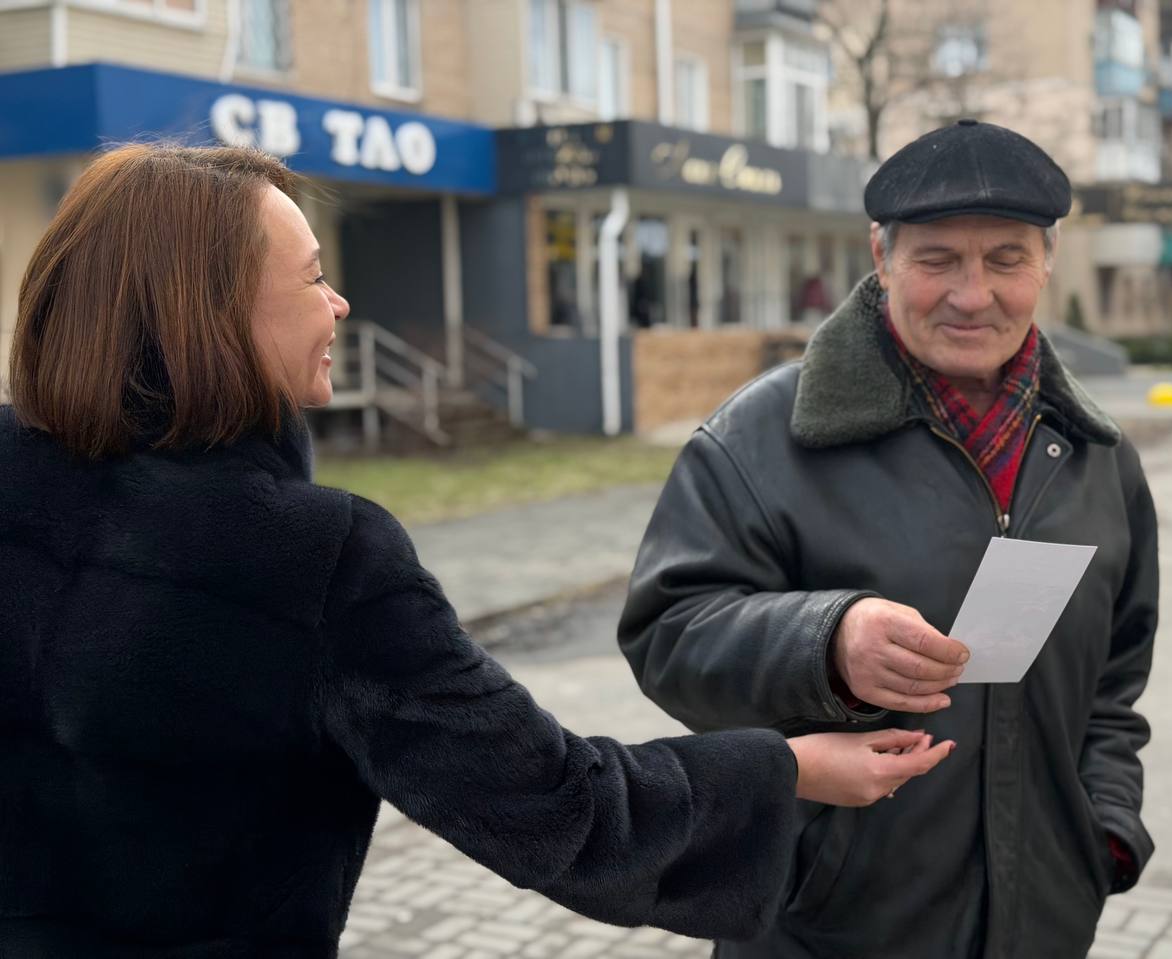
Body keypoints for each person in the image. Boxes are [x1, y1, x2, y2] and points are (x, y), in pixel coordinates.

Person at [0, 143, 955, 957]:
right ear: (209, 313)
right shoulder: (314, 558)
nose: (340, 304)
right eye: (314, 276)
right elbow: (556, 805)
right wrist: (788, 769)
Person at [619, 120, 1158, 959]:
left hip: (1045, 920)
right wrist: (826, 642)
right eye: (937, 259)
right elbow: (667, 635)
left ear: (1047, 262)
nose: (973, 294)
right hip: (825, 928)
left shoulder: (1097, 455)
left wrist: (1106, 828)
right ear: (881, 254)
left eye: (1006, 259)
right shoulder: (759, 438)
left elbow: (1116, 682)